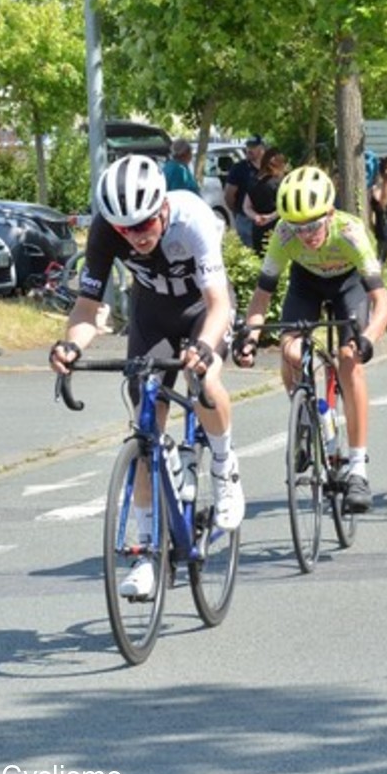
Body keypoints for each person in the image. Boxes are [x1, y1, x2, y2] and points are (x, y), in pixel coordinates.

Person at [51, 154, 245, 598]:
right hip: (152, 316)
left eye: (144, 224)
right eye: (126, 230)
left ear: (162, 207)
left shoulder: (192, 218)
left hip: (203, 312)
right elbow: (86, 309)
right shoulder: (105, 231)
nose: (136, 236)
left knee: (204, 381)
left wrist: (203, 347)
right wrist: (71, 346)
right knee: (145, 428)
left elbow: (219, 304)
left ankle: (223, 466)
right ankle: (145, 554)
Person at [235, 166, 387, 513]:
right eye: (297, 227)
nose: (305, 235)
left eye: (313, 225)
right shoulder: (283, 234)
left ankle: (358, 469)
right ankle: (305, 416)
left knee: (349, 359)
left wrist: (368, 337)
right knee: (291, 351)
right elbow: (261, 297)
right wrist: (251, 336)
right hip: (305, 283)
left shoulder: (350, 231)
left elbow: (381, 302)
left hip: (349, 285)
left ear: (330, 213)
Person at [241, 146, 288, 256]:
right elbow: (286, 206)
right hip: (279, 228)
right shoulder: (282, 182)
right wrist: (270, 217)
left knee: (261, 258)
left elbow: (246, 206)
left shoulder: (253, 181)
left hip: (258, 228)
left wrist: (256, 217)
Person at [224, 135, 265, 250]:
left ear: (262, 148)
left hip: (267, 218)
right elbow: (228, 195)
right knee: (249, 252)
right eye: (248, 146)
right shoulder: (239, 168)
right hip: (246, 219)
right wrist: (238, 211)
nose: (249, 150)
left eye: (253, 147)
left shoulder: (270, 168)